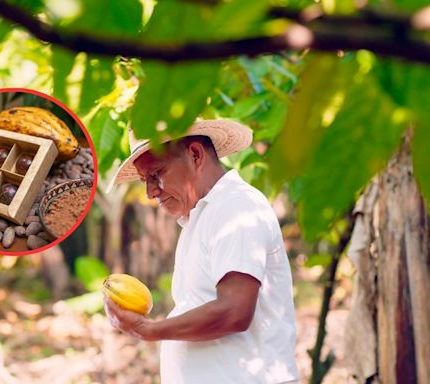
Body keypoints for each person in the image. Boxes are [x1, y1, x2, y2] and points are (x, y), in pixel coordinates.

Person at [105, 119, 299, 383]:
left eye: (156, 174)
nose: (150, 192)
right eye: (144, 180)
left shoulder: (236, 206)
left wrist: (149, 330)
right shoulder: (203, 216)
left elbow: (234, 311)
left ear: (195, 155)